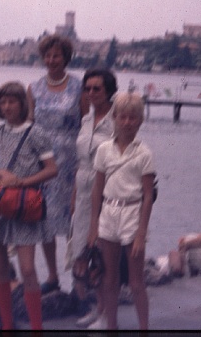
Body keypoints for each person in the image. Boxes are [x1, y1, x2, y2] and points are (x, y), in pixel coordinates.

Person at [0, 81, 58, 330]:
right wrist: (3, 175)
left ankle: (36, 328)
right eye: (3, 102)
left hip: (25, 205)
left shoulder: (37, 134)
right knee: (0, 266)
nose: (7, 106)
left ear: (23, 104)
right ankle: (7, 326)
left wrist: (22, 181)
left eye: (12, 101)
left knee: (28, 269)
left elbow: (52, 170)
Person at [86, 91, 156, 330]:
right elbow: (97, 188)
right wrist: (93, 226)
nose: (127, 123)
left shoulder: (144, 154)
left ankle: (143, 328)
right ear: (114, 118)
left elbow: (148, 196)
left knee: (136, 281)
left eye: (133, 118)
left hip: (132, 214)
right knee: (109, 277)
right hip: (108, 213)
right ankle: (111, 326)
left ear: (140, 121)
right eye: (122, 117)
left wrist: (141, 233)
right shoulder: (104, 150)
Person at [26, 34, 85, 294]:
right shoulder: (34, 88)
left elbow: (86, 125)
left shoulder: (79, 87)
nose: (52, 60)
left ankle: (78, 277)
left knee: (75, 220)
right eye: (48, 55)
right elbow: (29, 125)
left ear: (66, 58)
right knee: (44, 220)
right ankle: (52, 276)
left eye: (57, 55)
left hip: (71, 161)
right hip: (42, 163)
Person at [66, 68, 118, 326]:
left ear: (108, 90)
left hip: (106, 191)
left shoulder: (116, 121)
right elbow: (80, 161)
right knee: (83, 253)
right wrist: (74, 195)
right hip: (83, 189)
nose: (91, 93)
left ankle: (107, 315)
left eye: (97, 88)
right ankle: (95, 308)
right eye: (87, 88)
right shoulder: (86, 119)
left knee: (101, 254)